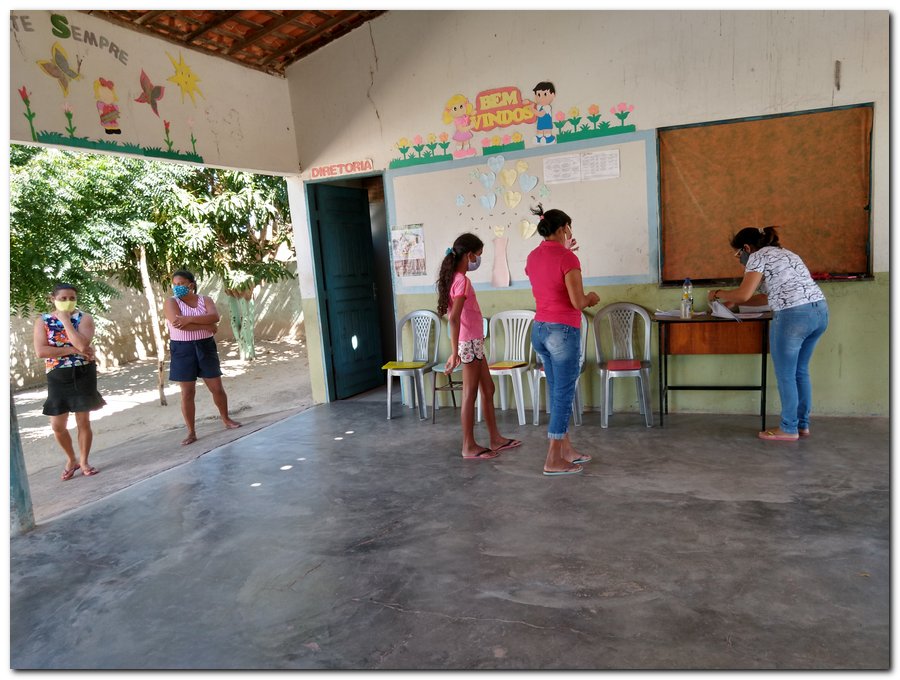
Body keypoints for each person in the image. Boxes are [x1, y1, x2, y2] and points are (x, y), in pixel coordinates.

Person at [708, 226, 828, 441]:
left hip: (793, 316)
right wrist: (731, 303)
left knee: (786, 374)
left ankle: (788, 429)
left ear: (746, 247)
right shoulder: (787, 254)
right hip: (818, 312)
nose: (739, 259)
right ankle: (802, 425)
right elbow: (763, 298)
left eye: (738, 254)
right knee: (800, 371)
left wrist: (717, 294)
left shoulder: (758, 256)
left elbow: (744, 295)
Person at [525, 204, 600, 476]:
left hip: (540, 330)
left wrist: (566, 254)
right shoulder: (569, 259)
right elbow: (578, 302)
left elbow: (545, 277)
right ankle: (553, 458)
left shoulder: (533, 256)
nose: (570, 233)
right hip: (563, 332)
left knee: (557, 392)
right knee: (563, 396)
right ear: (561, 229)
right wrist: (592, 297)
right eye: (569, 228)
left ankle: (566, 449)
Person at [437, 233, 521, 460]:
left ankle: (495, 438)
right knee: (469, 394)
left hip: (474, 342)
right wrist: (454, 353)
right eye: (479, 255)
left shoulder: (454, 278)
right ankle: (468, 446)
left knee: (488, 389)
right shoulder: (461, 281)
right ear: (469, 255)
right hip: (468, 344)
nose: (478, 261)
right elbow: (454, 318)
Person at [32, 283, 106, 480]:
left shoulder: (84, 318)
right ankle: (71, 458)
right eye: (63, 299)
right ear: (52, 299)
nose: (68, 302)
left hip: (82, 373)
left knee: (83, 421)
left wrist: (65, 321)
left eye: (72, 298)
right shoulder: (43, 321)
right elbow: (41, 351)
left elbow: (83, 343)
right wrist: (73, 350)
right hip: (57, 375)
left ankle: (83, 461)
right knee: (57, 424)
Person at [164, 269, 241, 445]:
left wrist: (189, 320)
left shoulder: (204, 300)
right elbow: (178, 325)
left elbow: (214, 316)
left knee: (216, 387)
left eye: (181, 284)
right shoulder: (171, 302)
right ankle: (191, 432)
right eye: (175, 284)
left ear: (191, 285)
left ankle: (226, 419)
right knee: (187, 392)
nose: (177, 287)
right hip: (182, 349)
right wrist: (207, 326)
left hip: (205, 347)